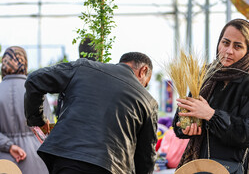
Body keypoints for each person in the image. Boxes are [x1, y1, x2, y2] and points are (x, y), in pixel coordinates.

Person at [24, 52, 158, 174]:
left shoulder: (84, 68)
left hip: (67, 161)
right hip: (112, 167)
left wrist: (38, 120)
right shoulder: (148, 101)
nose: (143, 88)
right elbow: (146, 157)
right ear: (143, 70)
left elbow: (34, 79)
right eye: (145, 84)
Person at [173, 19, 249, 173]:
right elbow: (181, 117)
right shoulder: (204, 77)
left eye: (238, 46)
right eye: (225, 43)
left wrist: (211, 115)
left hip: (236, 168)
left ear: (248, 51)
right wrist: (185, 126)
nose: (229, 51)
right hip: (201, 167)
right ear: (219, 43)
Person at [0, 46, 50, 174]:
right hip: (37, 159)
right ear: (25, 64)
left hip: (5, 163)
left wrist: (8, 145)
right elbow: (47, 129)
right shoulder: (36, 92)